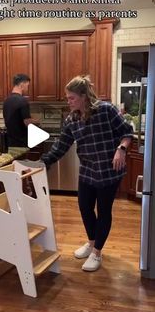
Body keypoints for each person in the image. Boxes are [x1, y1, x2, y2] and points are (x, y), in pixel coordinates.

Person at [41, 75, 134, 272]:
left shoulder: (106, 110)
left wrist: (121, 149)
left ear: (84, 96)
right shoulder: (71, 119)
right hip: (88, 170)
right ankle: (92, 243)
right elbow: (60, 146)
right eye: (67, 98)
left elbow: (127, 132)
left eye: (71, 98)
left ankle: (97, 253)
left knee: (104, 211)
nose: (68, 101)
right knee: (84, 207)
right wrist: (43, 162)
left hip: (109, 170)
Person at [3, 74, 38, 147]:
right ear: (22, 84)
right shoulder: (23, 101)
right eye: (27, 85)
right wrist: (36, 121)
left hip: (9, 141)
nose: (27, 88)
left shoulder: (6, 100)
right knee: (21, 158)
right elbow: (27, 123)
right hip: (21, 141)